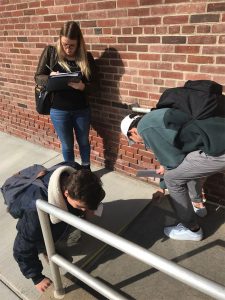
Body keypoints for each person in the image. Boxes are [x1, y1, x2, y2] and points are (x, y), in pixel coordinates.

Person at [120, 107, 225, 241]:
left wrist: (162, 186)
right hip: (217, 136)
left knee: (172, 179)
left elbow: (173, 163)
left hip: (218, 149)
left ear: (132, 132)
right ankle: (198, 204)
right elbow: (176, 157)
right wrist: (166, 166)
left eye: (134, 140)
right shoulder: (154, 117)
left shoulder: (144, 129)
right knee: (188, 167)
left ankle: (192, 229)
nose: (137, 143)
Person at [12, 162, 105, 293]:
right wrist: (37, 278)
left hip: (57, 207)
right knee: (59, 237)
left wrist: (88, 209)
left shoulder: (76, 173)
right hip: (40, 218)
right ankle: (46, 248)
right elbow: (22, 248)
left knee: (75, 227)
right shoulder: (36, 211)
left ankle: (54, 241)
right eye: (81, 206)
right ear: (66, 193)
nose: (86, 210)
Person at [35, 21, 96, 169]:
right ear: (60, 40)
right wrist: (50, 77)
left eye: (72, 45)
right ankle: (71, 171)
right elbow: (38, 76)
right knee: (67, 144)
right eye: (64, 44)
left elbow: (95, 85)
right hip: (59, 110)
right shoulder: (51, 52)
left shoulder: (86, 57)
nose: (68, 49)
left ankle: (86, 169)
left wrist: (83, 87)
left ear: (79, 42)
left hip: (81, 109)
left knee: (83, 141)